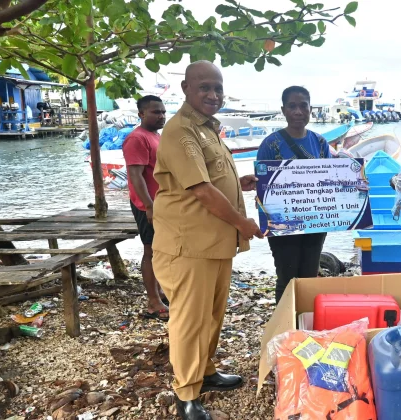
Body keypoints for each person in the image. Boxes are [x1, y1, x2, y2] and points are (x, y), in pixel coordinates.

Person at [152, 61, 264, 420]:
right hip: (188, 246)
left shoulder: (207, 128)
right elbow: (201, 190)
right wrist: (244, 223)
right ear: (186, 88)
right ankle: (186, 394)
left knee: (213, 315)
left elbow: (210, 178)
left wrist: (240, 183)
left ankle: (206, 371)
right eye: (204, 87)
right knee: (189, 321)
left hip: (214, 243)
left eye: (218, 88)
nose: (213, 94)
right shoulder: (180, 131)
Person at [256, 86, 332, 304]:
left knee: (309, 275)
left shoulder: (320, 143)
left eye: (303, 106)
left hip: (315, 220)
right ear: (283, 110)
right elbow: (263, 185)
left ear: (310, 109)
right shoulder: (271, 144)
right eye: (292, 106)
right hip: (282, 222)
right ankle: (285, 321)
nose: (298, 111)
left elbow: (331, 180)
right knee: (287, 276)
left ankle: (304, 319)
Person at [121, 95, 169, 321]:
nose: (161, 116)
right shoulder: (137, 138)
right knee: (150, 250)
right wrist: (149, 206)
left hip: (162, 203)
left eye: (163, 112)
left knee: (161, 249)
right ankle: (153, 301)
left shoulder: (155, 136)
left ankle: (160, 291)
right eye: (156, 112)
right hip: (147, 204)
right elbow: (135, 176)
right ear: (141, 114)